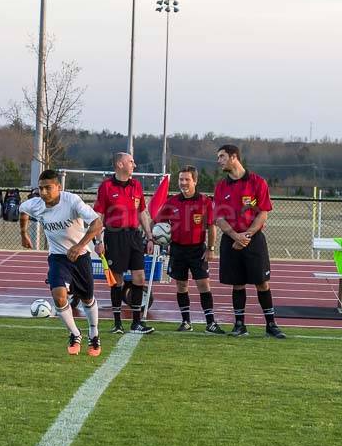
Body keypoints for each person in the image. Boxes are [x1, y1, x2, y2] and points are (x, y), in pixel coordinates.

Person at [20, 169, 104, 356]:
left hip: (81, 256)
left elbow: (97, 223)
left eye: (48, 188)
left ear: (59, 187)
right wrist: (23, 233)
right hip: (58, 257)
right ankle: (75, 334)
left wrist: (80, 245)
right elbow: (22, 210)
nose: (43, 193)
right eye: (40, 189)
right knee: (59, 296)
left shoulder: (72, 201)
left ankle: (94, 333)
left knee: (87, 298)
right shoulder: (36, 204)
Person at [213, 144, 285, 338]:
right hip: (231, 240)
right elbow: (219, 218)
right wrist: (236, 236)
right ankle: (239, 325)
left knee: (262, 282)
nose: (219, 161)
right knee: (238, 284)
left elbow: (263, 213)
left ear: (234, 157)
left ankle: (271, 325)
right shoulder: (221, 186)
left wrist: (247, 236)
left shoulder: (257, 182)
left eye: (222, 156)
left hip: (253, 240)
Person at [93, 152, 155, 335]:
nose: (134, 165)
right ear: (120, 164)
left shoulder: (136, 185)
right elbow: (99, 215)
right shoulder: (106, 186)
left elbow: (142, 212)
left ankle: (136, 322)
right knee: (117, 280)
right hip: (114, 236)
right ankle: (117, 323)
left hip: (134, 236)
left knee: (139, 277)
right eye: (131, 161)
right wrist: (99, 240)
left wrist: (149, 236)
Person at [154, 166, 219, 333]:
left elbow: (211, 227)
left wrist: (211, 248)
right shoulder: (172, 202)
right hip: (177, 250)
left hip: (198, 250)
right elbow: (157, 223)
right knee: (181, 285)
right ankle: (186, 322)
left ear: (195, 181)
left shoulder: (205, 202)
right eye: (181, 179)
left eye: (187, 179)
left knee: (203, 284)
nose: (183, 183)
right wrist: (159, 239)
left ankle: (210, 323)